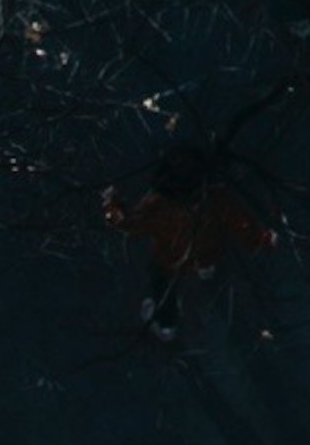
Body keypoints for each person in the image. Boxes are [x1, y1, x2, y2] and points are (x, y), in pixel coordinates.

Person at [106, 129, 275, 338]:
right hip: (187, 258)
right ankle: (168, 322)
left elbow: (239, 221)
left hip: (189, 258)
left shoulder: (192, 197)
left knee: (166, 277)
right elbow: (240, 222)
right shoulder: (178, 198)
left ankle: (170, 322)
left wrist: (111, 206)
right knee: (164, 278)